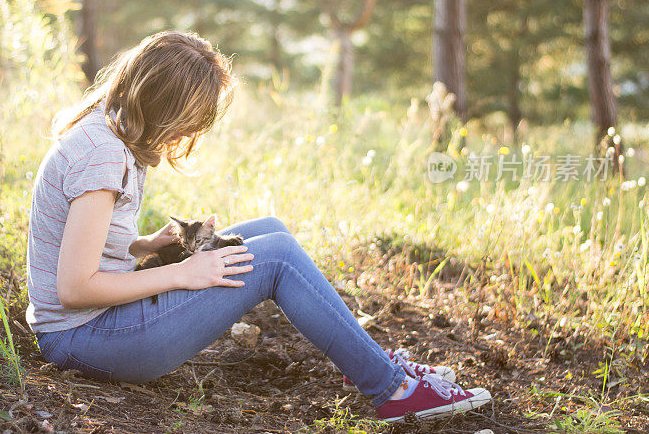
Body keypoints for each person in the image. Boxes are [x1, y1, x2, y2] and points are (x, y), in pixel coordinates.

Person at [25, 30, 492, 422]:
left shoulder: (112, 129)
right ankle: (394, 392)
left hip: (95, 327)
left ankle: (363, 357)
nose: (189, 134)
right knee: (277, 261)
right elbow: (75, 288)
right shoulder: (103, 155)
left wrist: (147, 243)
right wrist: (179, 273)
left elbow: (85, 241)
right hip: (82, 338)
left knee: (271, 230)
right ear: (164, 105)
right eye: (190, 121)